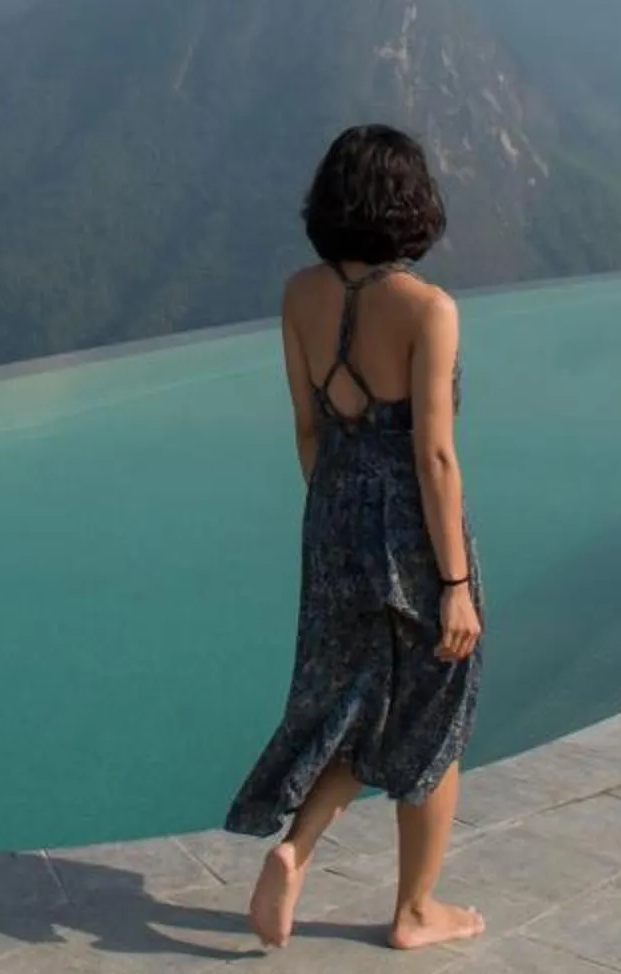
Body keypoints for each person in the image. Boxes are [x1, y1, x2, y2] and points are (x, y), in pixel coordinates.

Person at [228, 124, 484, 951]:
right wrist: (451, 583)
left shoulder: (300, 295)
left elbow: (308, 427)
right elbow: (434, 455)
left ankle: (296, 849)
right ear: (413, 205)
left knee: (357, 700)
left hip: (333, 516)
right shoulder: (427, 309)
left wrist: (339, 526)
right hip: (414, 534)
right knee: (438, 703)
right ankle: (415, 910)